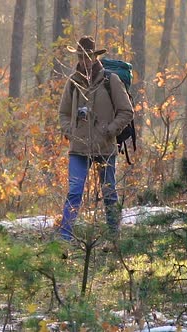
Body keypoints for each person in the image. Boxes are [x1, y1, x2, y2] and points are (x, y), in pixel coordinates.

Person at [57, 36, 134, 241]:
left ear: (95, 57)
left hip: (105, 148)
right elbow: (63, 113)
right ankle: (64, 238)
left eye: (88, 56)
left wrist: (110, 130)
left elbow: (126, 111)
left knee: (109, 195)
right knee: (74, 192)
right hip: (78, 148)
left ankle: (114, 237)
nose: (84, 60)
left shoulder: (111, 80)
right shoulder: (73, 82)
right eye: (81, 56)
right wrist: (69, 131)